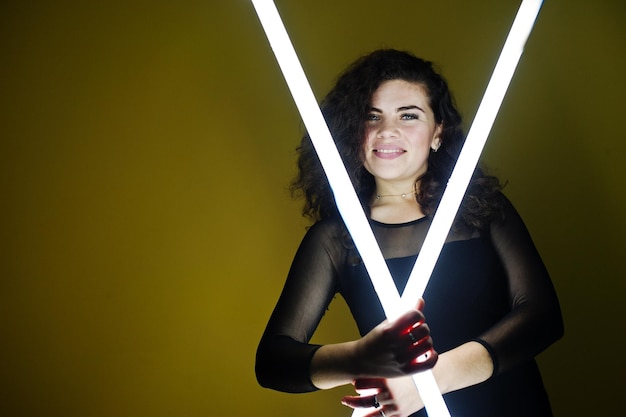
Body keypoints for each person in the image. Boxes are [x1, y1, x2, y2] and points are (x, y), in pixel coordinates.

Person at [255, 49, 564, 417]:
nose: (388, 131)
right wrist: (359, 356)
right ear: (353, 133)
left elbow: (542, 316)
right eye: (372, 116)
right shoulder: (335, 239)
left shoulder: (480, 210)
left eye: (409, 115)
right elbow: (272, 361)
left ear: (437, 133)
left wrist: (430, 381)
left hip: (510, 406)